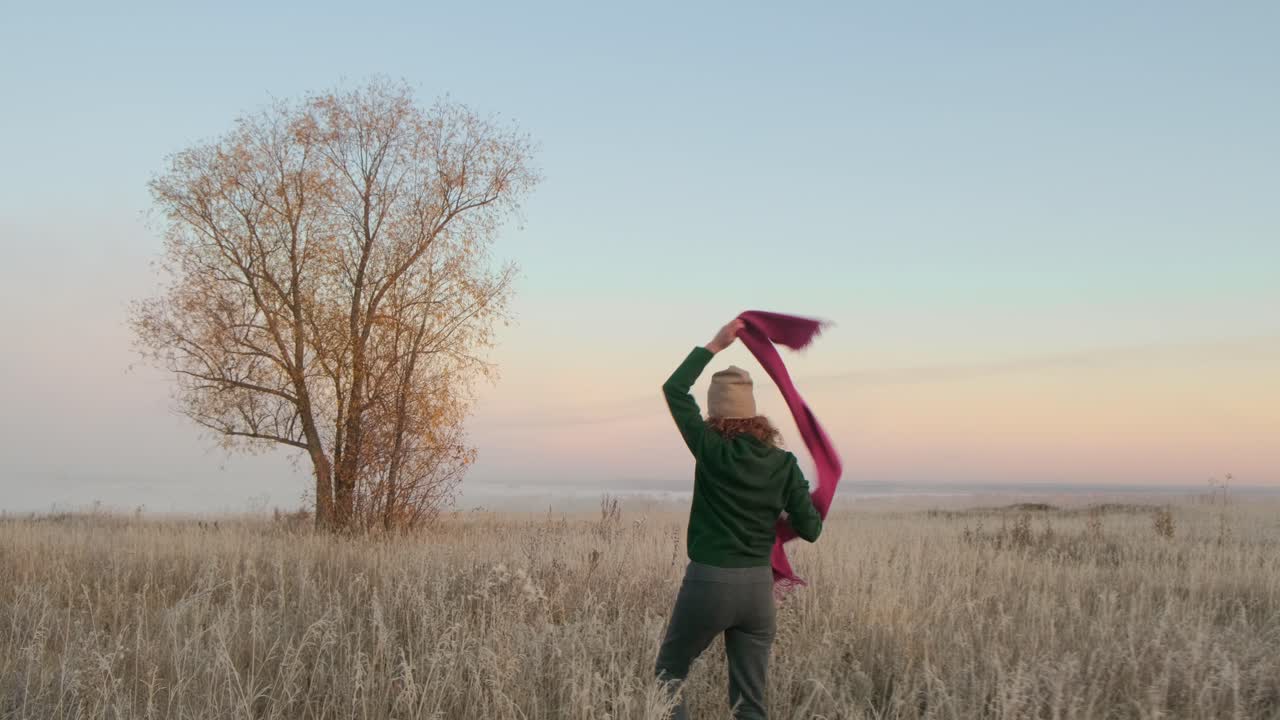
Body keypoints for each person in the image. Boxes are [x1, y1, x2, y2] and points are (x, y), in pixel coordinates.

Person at [654, 318, 824, 720]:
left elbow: (674, 389)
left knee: (669, 674)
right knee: (750, 705)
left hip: (709, 582)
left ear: (716, 414)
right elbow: (811, 529)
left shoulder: (710, 448)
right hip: (756, 592)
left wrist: (715, 344)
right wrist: (782, 509)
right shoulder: (783, 464)